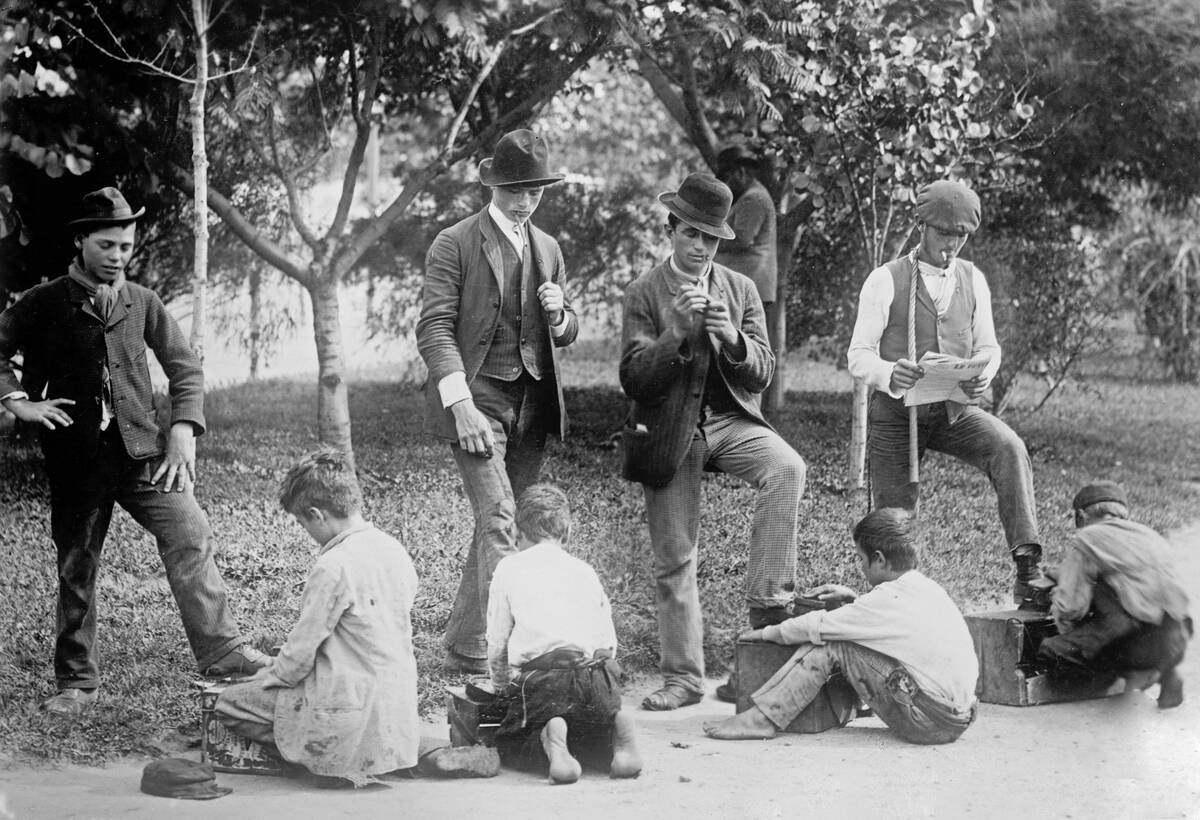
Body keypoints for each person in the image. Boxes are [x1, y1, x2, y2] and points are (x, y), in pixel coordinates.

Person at [0, 187, 265, 716]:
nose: (119, 255)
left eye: (126, 244)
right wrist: (17, 401)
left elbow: (185, 367)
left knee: (190, 533)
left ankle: (223, 652)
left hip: (143, 453)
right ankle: (76, 682)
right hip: (78, 460)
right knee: (78, 564)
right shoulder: (44, 300)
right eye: (106, 245)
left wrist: (184, 428)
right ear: (80, 242)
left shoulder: (142, 302)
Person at [619, 172, 807, 711]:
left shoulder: (741, 289)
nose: (700, 247)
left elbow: (763, 373)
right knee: (675, 557)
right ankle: (682, 678)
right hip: (669, 431)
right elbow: (634, 380)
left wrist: (733, 339)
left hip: (729, 423)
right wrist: (674, 333)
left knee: (787, 468)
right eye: (691, 235)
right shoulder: (644, 293)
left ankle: (768, 614)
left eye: (711, 238)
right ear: (671, 230)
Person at [417, 129, 579, 676]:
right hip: (478, 396)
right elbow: (434, 328)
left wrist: (560, 315)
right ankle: (509, 656)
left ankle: (466, 642)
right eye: (515, 187)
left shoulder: (549, 248)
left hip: (532, 404)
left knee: (498, 518)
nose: (525, 199)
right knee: (500, 515)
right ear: (493, 184)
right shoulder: (455, 242)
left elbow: (565, 332)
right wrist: (459, 403)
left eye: (534, 188)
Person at [846, 179, 1046, 605]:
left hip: (952, 411)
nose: (951, 245)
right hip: (898, 415)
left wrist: (984, 374)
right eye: (943, 234)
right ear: (922, 226)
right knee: (894, 520)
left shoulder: (973, 280)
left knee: (1008, 447)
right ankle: (896, 602)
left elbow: (989, 347)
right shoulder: (886, 280)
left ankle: (1029, 570)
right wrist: (887, 373)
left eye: (960, 237)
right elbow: (858, 356)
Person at [214, 448, 422, 787]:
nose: (305, 530)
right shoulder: (394, 550)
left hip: (344, 707)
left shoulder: (333, 565)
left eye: (302, 522)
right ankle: (376, 755)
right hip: (395, 710)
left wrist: (269, 676)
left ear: (316, 514)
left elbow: (300, 654)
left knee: (230, 703)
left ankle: (325, 759)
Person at [704, 508, 978, 744]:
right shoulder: (926, 588)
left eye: (861, 559)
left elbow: (818, 625)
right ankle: (854, 705)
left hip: (927, 721)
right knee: (855, 639)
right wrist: (855, 600)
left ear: (879, 559)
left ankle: (763, 718)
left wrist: (765, 633)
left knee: (835, 642)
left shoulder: (884, 601)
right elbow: (893, 627)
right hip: (957, 717)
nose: (861, 566)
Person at [485, 483, 641, 784]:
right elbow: (608, 643)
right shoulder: (584, 570)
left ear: (518, 531)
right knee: (588, 737)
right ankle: (615, 732)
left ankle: (550, 738)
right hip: (597, 678)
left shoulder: (509, 568)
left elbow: (497, 641)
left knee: (511, 741)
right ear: (566, 532)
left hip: (546, 681)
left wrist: (502, 684)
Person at [1037, 481, 1192, 709]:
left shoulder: (1089, 538)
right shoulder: (1149, 536)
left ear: (1081, 516)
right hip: (1177, 637)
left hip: (1133, 644)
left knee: (1052, 651)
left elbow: (1071, 606)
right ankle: (1162, 671)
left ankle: (1114, 680)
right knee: (1128, 618)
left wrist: (1066, 630)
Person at [714, 145, 778, 309]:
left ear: (740, 172)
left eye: (727, 178)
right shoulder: (750, 196)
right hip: (745, 287)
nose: (726, 185)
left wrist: (710, 241)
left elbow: (741, 240)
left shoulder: (754, 199)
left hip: (749, 287)